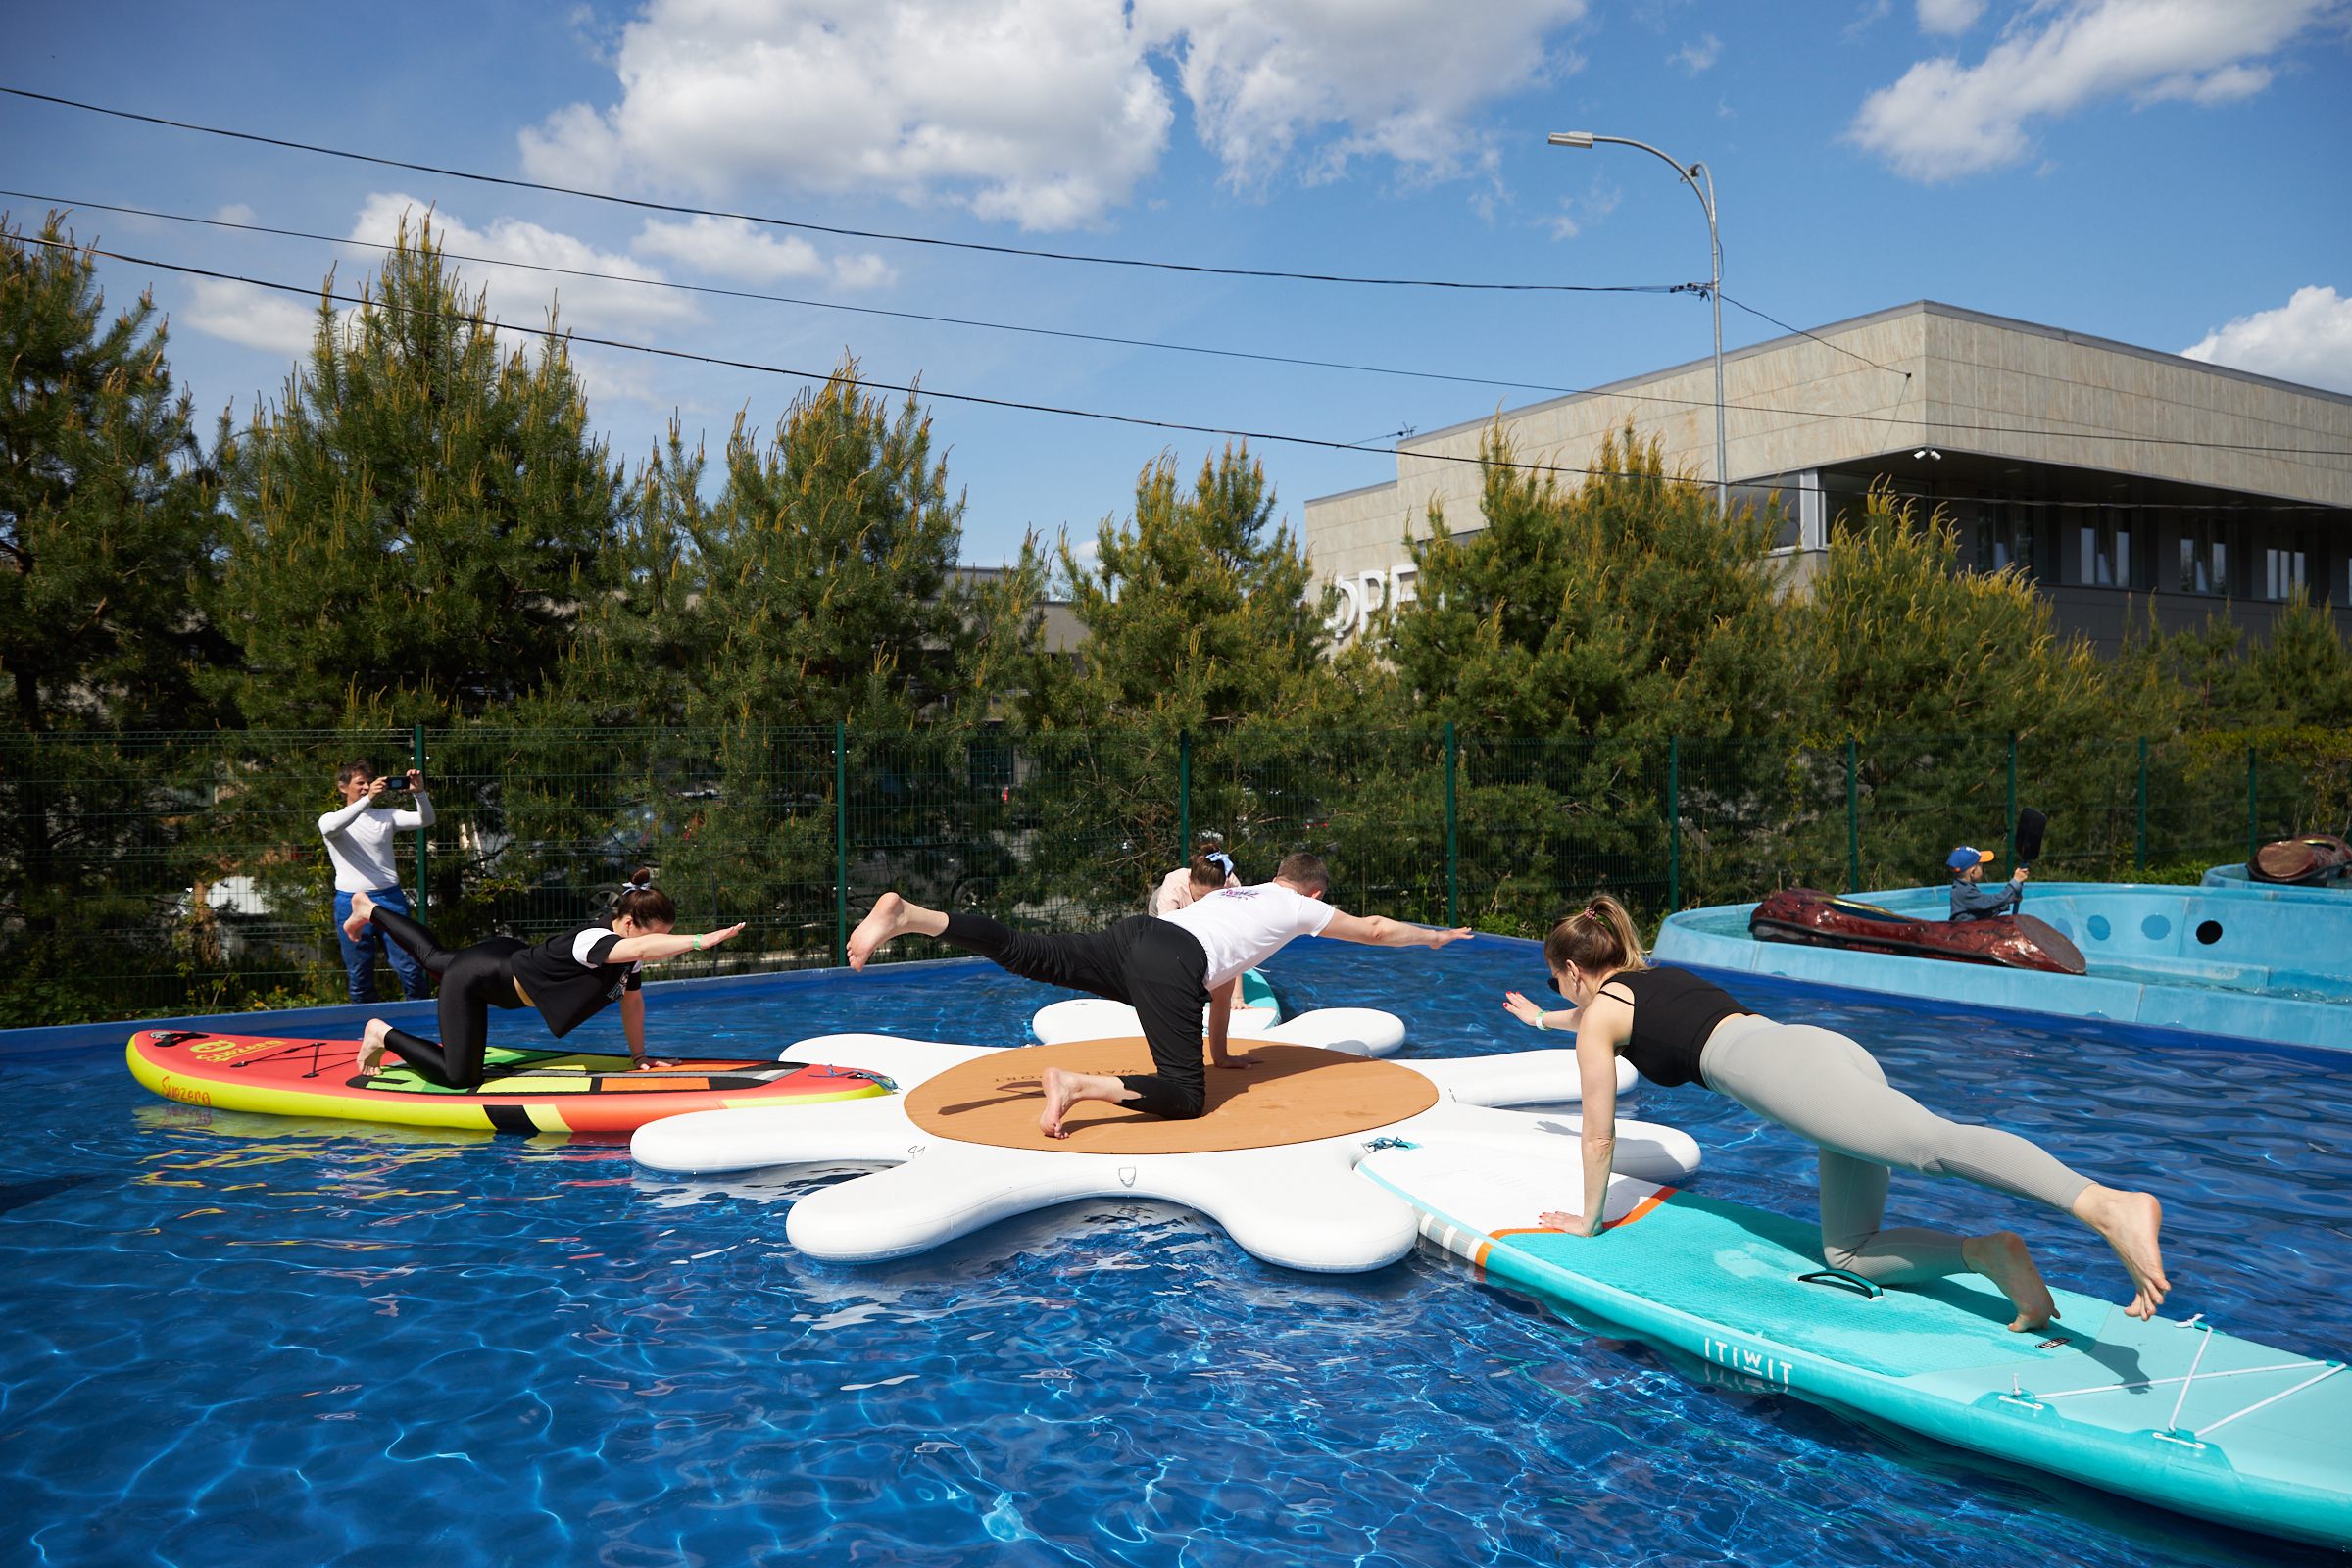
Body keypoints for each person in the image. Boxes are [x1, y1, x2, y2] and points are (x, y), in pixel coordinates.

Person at [1500, 895, 2169, 1333]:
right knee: (1848, 1251)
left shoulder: (1600, 1019)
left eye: (1553, 985)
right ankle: (1990, 1255)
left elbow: (1597, 1134)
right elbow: (1593, 1014)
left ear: (1572, 969)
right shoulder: (1650, 980)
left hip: (1788, 1077)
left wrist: (1587, 1223)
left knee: (1931, 1145)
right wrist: (1542, 1019)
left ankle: (2106, 1204)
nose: (1559, 997)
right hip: (1817, 1051)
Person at [847, 851, 1472, 1138]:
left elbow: (1224, 979)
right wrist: (1434, 938)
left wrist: (1222, 1053)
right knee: (1184, 1098)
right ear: (1310, 893)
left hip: (1139, 936)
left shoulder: (1237, 895)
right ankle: (1075, 1086)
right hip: (1170, 964)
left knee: (1028, 951)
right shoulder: (1295, 908)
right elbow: (1376, 930)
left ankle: (916, 917)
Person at [340, 868, 745, 1087]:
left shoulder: (627, 953)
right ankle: (381, 1033)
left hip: (507, 959)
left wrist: (640, 1058)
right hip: (482, 979)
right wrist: (698, 941)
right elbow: (640, 949)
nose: (663, 945)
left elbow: (633, 1001)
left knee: (434, 956)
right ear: (629, 923)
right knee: (458, 1076)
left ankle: (368, 909)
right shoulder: (595, 941)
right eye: (660, 936)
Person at [318, 760, 437, 1004]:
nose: (365, 787)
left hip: (389, 899)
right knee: (359, 974)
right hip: (350, 903)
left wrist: (420, 793)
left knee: (409, 968)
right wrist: (368, 799)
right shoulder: (331, 819)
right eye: (359, 783)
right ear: (343, 787)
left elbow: (425, 820)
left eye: (369, 783)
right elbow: (332, 828)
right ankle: (367, 1030)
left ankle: (424, 1024)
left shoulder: (386, 816)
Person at [1148, 849, 1239, 917]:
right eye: (1201, 895)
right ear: (1190, 880)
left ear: (1224, 886)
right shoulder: (1173, 886)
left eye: (1212, 895)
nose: (1206, 901)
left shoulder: (1231, 883)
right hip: (1164, 908)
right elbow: (1165, 926)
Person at [1947, 845, 2027, 922]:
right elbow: (1991, 901)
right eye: (1981, 866)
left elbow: (1982, 913)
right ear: (1972, 872)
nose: (1983, 869)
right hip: (1965, 933)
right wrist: (2014, 882)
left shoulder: (1962, 888)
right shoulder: (1964, 892)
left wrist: (2008, 901)